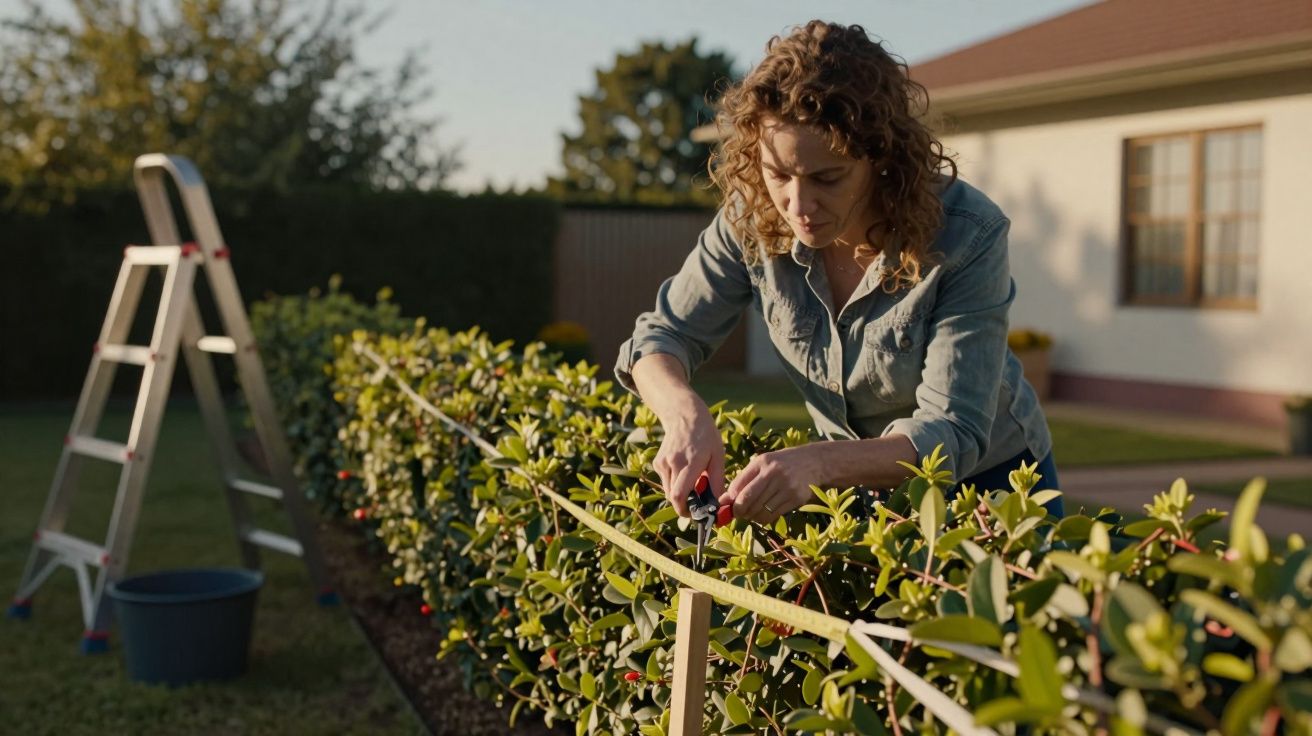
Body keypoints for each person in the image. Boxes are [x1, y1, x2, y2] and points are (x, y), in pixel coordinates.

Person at [614, 20, 1061, 524]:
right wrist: (683, 415)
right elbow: (661, 337)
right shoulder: (750, 216)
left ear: (882, 159)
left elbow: (953, 431)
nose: (797, 205)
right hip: (850, 486)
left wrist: (821, 462)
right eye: (777, 174)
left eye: (827, 177)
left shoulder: (967, 235)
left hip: (989, 486)